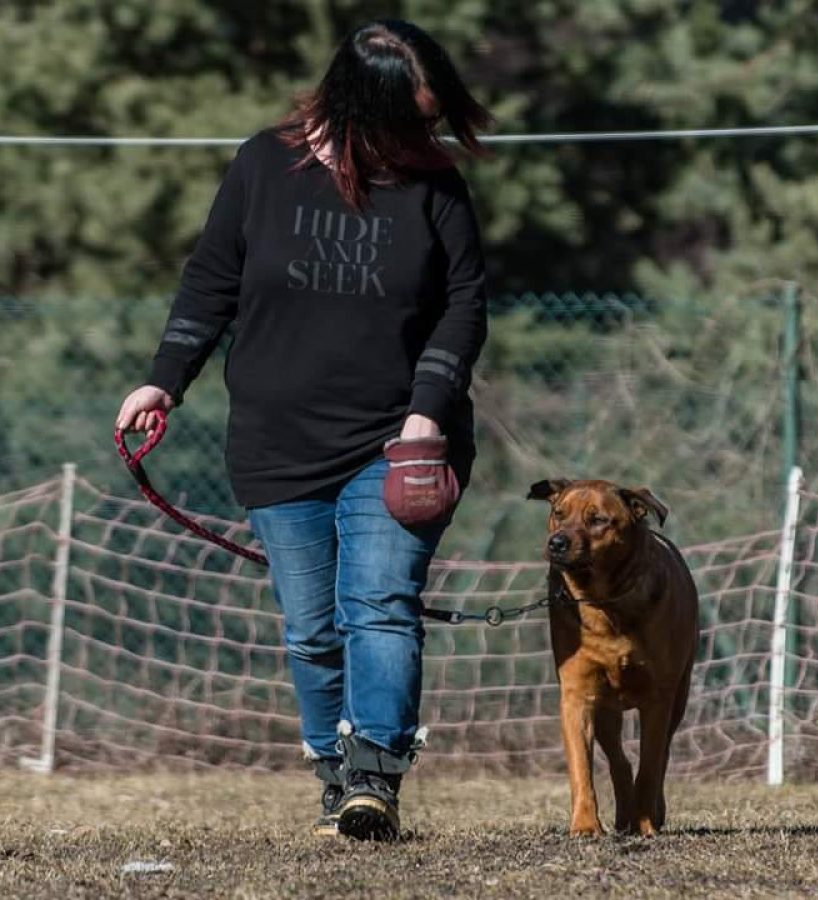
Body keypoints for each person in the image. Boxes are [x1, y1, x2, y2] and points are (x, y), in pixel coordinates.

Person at [115, 19, 491, 842]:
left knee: (381, 606)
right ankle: (334, 775)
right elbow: (211, 279)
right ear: (363, 106)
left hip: (399, 439)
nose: (427, 135)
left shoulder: (434, 184)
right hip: (277, 439)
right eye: (414, 118)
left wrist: (429, 404)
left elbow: (465, 303)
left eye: (434, 116)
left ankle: (374, 781)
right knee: (314, 628)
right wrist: (163, 378)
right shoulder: (262, 164)